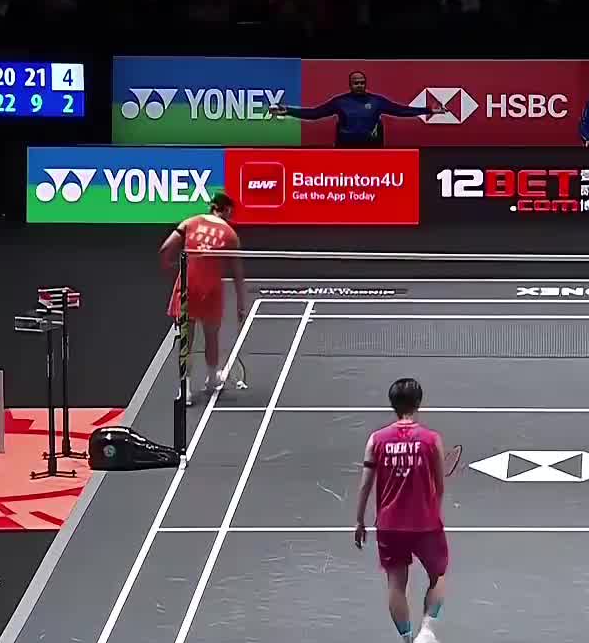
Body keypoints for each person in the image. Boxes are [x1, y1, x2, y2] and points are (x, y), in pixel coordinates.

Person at [353, 377, 449, 643]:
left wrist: (359, 520)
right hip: (425, 523)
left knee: (396, 584)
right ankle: (427, 632)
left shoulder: (376, 440)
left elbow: (365, 484)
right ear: (418, 403)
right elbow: (439, 485)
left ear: (392, 404)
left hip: (389, 525)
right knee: (438, 576)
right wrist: (434, 510)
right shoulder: (431, 440)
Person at [161, 193, 248, 405]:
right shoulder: (230, 234)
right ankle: (211, 379)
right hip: (211, 292)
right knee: (211, 337)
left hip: (187, 288)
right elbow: (237, 273)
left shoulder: (189, 223)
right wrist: (241, 305)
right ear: (225, 210)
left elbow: (165, 249)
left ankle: (185, 390)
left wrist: (171, 266)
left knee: (186, 342)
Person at [269, 71, 440, 146]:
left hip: (371, 148)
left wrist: (428, 110)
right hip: (346, 148)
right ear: (350, 85)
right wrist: (289, 110)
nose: (359, 85)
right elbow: (315, 114)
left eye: (362, 82)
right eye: (356, 83)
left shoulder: (377, 101)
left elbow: (401, 111)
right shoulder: (340, 102)